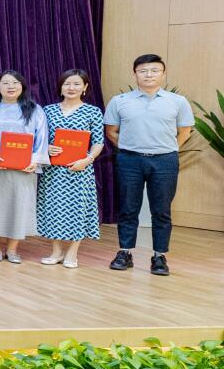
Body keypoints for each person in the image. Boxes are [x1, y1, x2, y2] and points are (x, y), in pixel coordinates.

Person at [105, 53, 194, 276]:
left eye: (154, 70)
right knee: (128, 208)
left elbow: (185, 131)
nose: (149, 75)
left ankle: (159, 256)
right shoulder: (120, 101)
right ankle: (125, 252)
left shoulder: (178, 101)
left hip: (165, 161)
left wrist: (169, 149)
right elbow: (111, 132)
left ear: (163, 74)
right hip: (129, 160)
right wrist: (130, 147)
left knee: (161, 210)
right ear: (135, 74)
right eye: (143, 71)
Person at [37, 69, 105, 269]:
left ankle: (73, 251)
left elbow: (98, 142)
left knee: (78, 209)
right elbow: (40, 138)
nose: (71, 87)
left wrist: (88, 159)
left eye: (76, 84)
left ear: (85, 87)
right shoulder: (48, 110)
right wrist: (46, 148)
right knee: (52, 209)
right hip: (53, 171)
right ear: (60, 87)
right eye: (67, 83)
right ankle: (56, 251)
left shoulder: (93, 112)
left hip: (80, 170)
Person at [0, 70, 49, 263]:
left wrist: (34, 161)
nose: (10, 86)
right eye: (5, 83)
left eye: (15, 83)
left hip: (25, 169)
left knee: (20, 207)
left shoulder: (35, 109)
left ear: (22, 86)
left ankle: (12, 249)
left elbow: (42, 137)